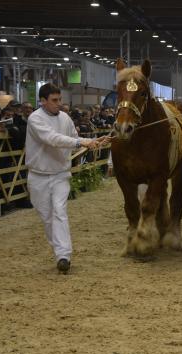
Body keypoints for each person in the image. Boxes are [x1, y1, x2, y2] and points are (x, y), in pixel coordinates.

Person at [25, 83, 107, 274]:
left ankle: (64, 256)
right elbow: (52, 139)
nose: (59, 104)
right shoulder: (35, 119)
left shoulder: (65, 118)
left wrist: (91, 143)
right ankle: (59, 251)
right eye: (54, 100)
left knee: (59, 211)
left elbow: (72, 138)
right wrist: (81, 141)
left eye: (59, 99)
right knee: (46, 217)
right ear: (43, 101)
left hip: (61, 174)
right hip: (37, 176)